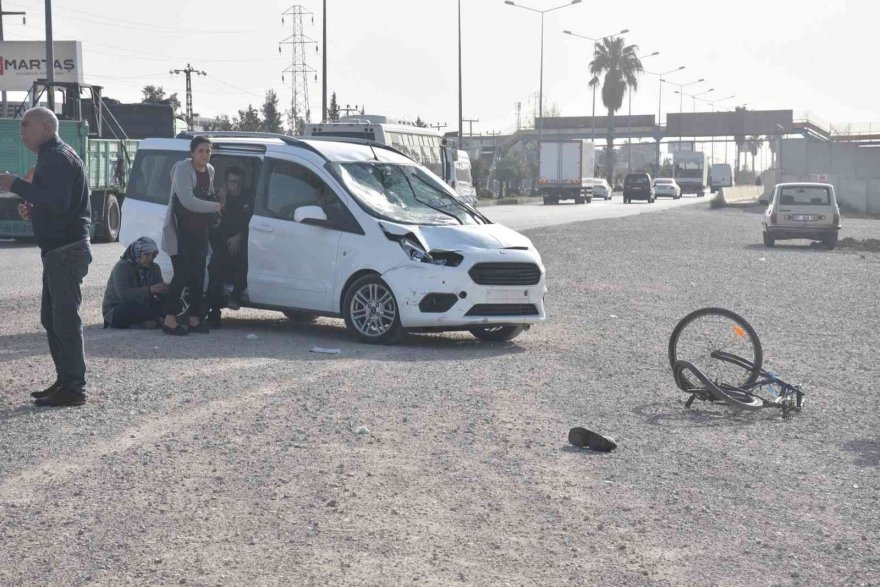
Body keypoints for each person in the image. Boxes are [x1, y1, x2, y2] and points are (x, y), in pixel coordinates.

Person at [0, 107, 93, 407]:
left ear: (45, 127)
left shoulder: (56, 158)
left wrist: (13, 183)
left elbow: (58, 202)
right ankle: (65, 380)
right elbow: (51, 202)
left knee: (65, 319)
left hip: (66, 251)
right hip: (57, 251)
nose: (22, 132)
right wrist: (32, 207)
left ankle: (75, 387)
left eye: (26, 126)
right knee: (51, 318)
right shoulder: (52, 157)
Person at [160, 136, 222, 336]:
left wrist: (216, 202)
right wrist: (215, 206)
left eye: (208, 151)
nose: (205, 155)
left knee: (198, 276)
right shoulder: (182, 169)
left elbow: (208, 192)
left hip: (200, 231)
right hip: (180, 231)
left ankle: (195, 319)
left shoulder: (210, 170)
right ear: (192, 153)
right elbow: (188, 201)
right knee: (181, 276)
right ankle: (170, 320)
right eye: (201, 151)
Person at [205, 166, 253, 327]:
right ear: (226, 183)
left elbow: (254, 222)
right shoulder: (220, 198)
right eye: (232, 182)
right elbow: (214, 224)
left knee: (243, 258)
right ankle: (214, 311)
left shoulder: (249, 198)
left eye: (239, 182)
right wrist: (222, 202)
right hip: (223, 243)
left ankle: (236, 296)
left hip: (245, 241)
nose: (236, 186)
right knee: (214, 267)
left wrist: (240, 236)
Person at [102, 237, 167, 329]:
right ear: (138, 254)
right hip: (118, 308)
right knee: (130, 306)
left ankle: (152, 318)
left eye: (153, 255)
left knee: (169, 301)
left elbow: (159, 291)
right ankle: (156, 318)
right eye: (147, 255)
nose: (150, 258)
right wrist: (149, 290)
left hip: (144, 305)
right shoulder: (122, 267)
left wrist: (166, 290)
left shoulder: (154, 268)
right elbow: (123, 294)